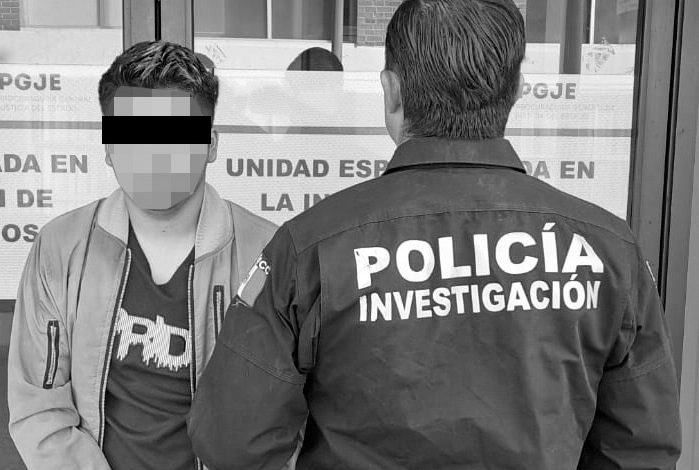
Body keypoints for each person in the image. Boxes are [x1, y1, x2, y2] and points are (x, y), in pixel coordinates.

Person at [187, 1, 682, 469]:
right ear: (516, 91)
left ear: (392, 91)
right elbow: (641, 448)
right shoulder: (607, 250)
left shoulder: (310, 248)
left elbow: (231, 439)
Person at [7, 40, 277, 470]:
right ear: (109, 147)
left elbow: (288, 415)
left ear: (210, 144)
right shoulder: (60, 248)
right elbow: (39, 409)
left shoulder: (269, 255)